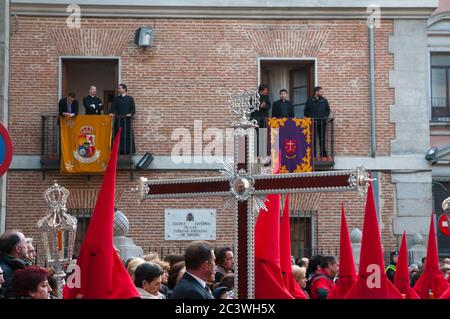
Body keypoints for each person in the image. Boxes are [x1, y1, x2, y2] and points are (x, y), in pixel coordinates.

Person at [0, 231, 30, 298]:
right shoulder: (4, 272)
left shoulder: (18, 266)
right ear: (18, 249)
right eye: (25, 243)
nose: (27, 246)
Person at [109, 84, 136, 155]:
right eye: (118, 88)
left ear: (124, 89)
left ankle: (127, 151)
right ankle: (117, 151)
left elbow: (133, 109)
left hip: (126, 121)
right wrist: (111, 112)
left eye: (119, 88)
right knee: (118, 135)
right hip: (118, 121)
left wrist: (130, 114)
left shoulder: (130, 98)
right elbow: (112, 107)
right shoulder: (116, 98)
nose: (118, 90)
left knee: (127, 136)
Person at [304, 86, 330, 158]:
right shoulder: (309, 101)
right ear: (316, 92)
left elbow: (328, 110)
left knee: (322, 138)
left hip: (322, 123)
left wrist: (324, 117)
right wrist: (312, 118)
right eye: (320, 91)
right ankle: (313, 154)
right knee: (313, 139)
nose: (322, 93)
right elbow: (306, 112)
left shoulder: (324, 100)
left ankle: (323, 154)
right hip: (313, 123)